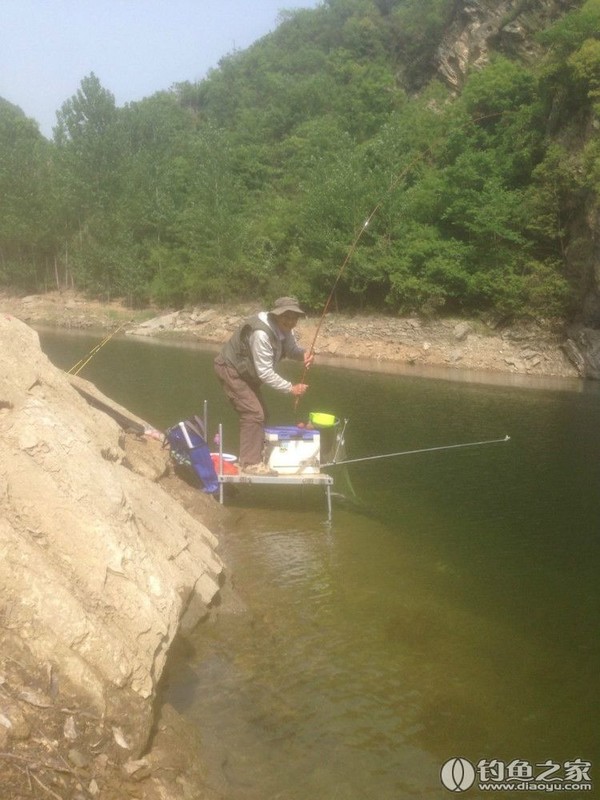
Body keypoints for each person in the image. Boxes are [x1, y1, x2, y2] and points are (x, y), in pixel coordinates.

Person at [214, 296, 314, 474]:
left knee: (262, 414)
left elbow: (291, 350)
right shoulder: (261, 334)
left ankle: (255, 458)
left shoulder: (285, 329)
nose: (291, 321)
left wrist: (303, 355)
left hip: (246, 375)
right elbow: (265, 373)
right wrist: (291, 388)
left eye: (294, 318)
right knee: (253, 413)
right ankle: (250, 464)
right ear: (276, 315)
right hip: (231, 370)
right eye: (287, 316)